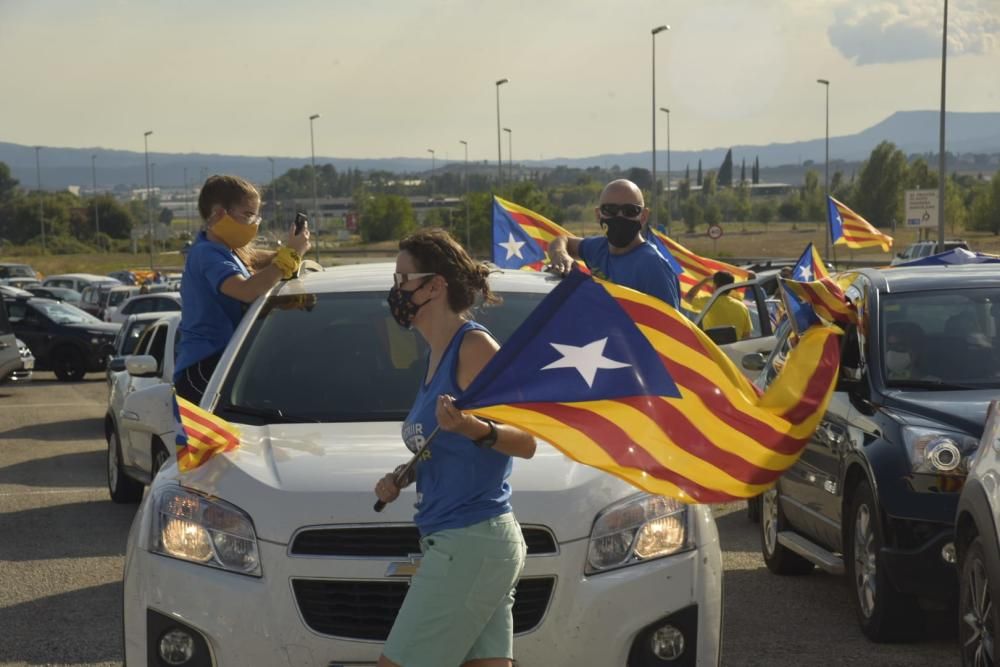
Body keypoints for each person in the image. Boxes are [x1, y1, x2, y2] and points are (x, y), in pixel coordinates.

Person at [374, 229, 537, 667]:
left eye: (403, 278)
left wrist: (471, 428)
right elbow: (440, 444)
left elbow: (527, 441)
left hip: (472, 540)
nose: (397, 290)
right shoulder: (435, 353)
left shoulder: (474, 346)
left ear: (435, 285)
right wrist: (403, 476)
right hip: (464, 541)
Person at [173, 174, 310, 403]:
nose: (254, 223)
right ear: (218, 213)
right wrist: (290, 256)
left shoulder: (226, 250)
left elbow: (255, 259)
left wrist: (284, 254)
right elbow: (246, 290)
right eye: (248, 214)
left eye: (256, 216)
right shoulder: (207, 254)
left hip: (225, 361)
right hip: (205, 366)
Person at [548, 179, 681, 308]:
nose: (620, 217)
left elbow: (672, 328)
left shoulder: (653, 267)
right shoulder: (598, 249)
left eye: (630, 210)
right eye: (610, 210)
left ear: (643, 216)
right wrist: (560, 254)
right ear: (598, 214)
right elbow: (562, 240)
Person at [685, 271, 753, 340]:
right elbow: (747, 335)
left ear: (714, 285)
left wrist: (705, 280)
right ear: (731, 286)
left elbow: (688, 297)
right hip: (736, 349)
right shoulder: (742, 307)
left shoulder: (709, 302)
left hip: (713, 348)